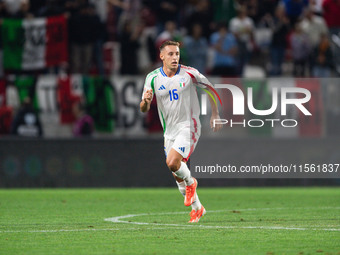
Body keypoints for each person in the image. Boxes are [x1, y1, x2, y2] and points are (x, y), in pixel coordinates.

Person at [140, 40, 222, 223]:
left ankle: (193, 182)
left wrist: (215, 114)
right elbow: (143, 108)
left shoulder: (189, 73)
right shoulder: (152, 78)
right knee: (178, 178)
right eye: (170, 54)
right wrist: (145, 102)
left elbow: (211, 89)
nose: (175, 57)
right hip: (169, 132)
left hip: (189, 126)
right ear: (161, 56)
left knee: (173, 162)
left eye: (177, 53)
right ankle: (198, 208)